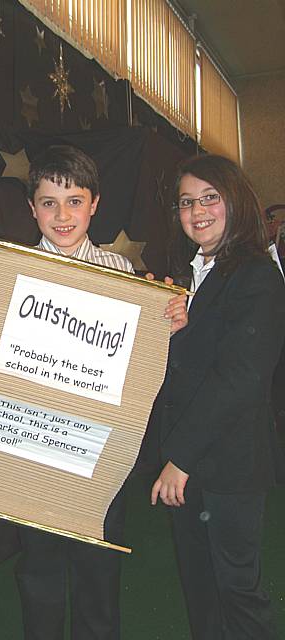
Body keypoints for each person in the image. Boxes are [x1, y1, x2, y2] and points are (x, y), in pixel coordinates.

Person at [15, 144, 187, 640]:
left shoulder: (121, 272)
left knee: (98, 568)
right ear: (32, 209)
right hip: (31, 444)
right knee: (39, 570)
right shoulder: (12, 268)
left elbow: (140, 358)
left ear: (94, 205)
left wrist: (168, 326)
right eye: (48, 202)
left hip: (100, 449)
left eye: (74, 201)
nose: (62, 214)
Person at [144, 154, 285, 640]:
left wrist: (179, 458)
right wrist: (175, 326)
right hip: (195, 461)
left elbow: (240, 378)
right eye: (187, 201)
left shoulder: (257, 275)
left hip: (227, 465)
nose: (197, 210)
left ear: (235, 202)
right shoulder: (201, 272)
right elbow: (199, 358)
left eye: (210, 197)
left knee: (236, 594)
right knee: (200, 588)